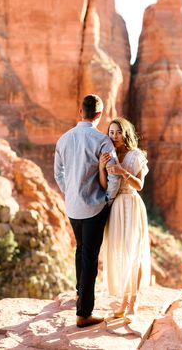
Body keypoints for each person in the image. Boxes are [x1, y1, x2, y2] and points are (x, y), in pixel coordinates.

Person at [54, 94, 120, 328]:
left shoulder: (63, 139)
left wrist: (69, 192)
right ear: (99, 115)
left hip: (73, 207)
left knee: (81, 250)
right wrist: (108, 200)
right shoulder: (103, 141)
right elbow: (113, 174)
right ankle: (83, 313)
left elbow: (58, 174)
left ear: (80, 112)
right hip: (94, 207)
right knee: (90, 258)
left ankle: (79, 293)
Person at [99, 117, 151, 320]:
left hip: (131, 203)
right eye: (111, 132)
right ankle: (123, 299)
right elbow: (103, 186)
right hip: (115, 207)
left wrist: (122, 172)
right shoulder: (108, 154)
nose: (114, 136)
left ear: (126, 133)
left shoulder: (136, 155)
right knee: (119, 251)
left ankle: (133, 300)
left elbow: (139, 185)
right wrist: (100, 168)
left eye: (118, 132)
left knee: (134, 252)